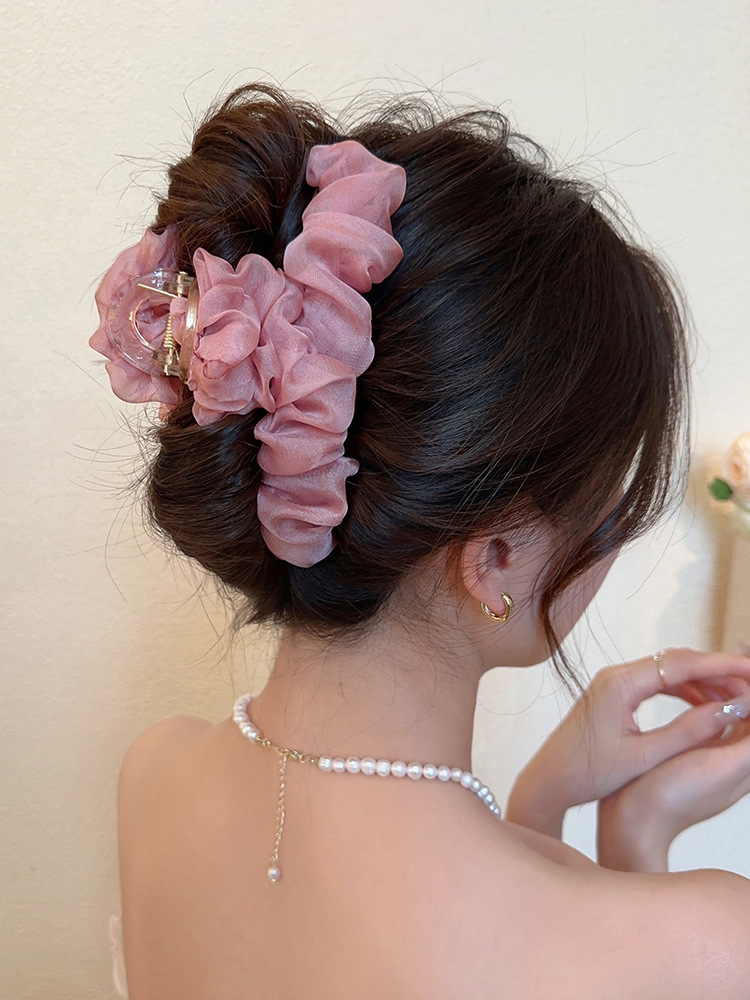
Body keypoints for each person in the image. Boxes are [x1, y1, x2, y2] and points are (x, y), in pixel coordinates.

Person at [92, 82, 750, 999]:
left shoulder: (155, 777)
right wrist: (638, 841)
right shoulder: (706, 945)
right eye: (608, 512)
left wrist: (545, 802)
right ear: (495, 558)